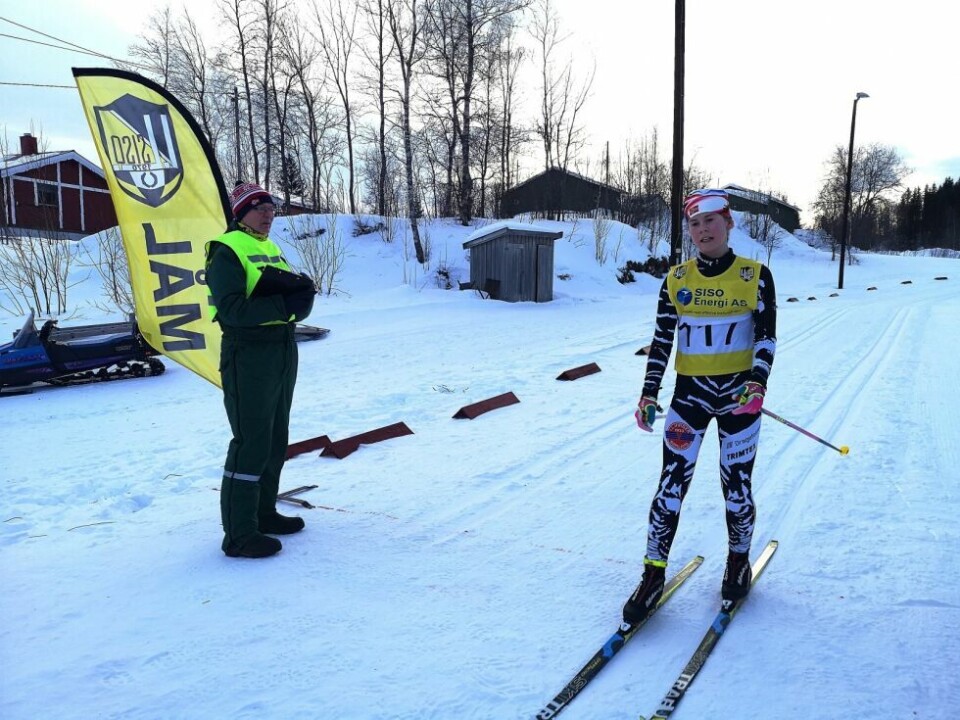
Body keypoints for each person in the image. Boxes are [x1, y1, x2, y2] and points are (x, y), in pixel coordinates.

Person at [622, 188, 777, 623]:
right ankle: (653, 574)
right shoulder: (676, 279)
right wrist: (649, 392)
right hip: (688, 399)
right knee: (670, 485)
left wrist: (757, 382)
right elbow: (661, 341)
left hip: (738, 401)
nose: (703, 230)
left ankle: (738, 562)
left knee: (736, 486)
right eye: (695, 223)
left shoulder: (755, 275)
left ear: (728, 223)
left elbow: (766, 336)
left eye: (711, 221)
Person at [205, 182, 317, 559]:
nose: (268, 214)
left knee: (275, 438)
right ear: (241, 213)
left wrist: (300, 301)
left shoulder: (268, 247)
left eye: (271, 208)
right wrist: (284, 307)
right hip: (248, 353)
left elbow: (283, 296)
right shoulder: (226, 250)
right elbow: (232, 310)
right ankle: (239, 534)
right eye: (259, 208)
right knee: (251, 441)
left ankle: (263, 513)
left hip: (281, 349)